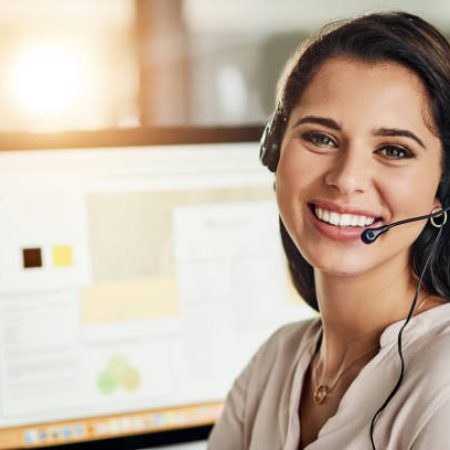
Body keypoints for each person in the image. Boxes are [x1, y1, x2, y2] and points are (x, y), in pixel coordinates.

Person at [208, 11, 450, 450]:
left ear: (442, 189)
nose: (346, 178)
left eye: (393, 149)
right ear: (274, 152)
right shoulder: (275, 364)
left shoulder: (443, 384)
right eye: (321, 138)